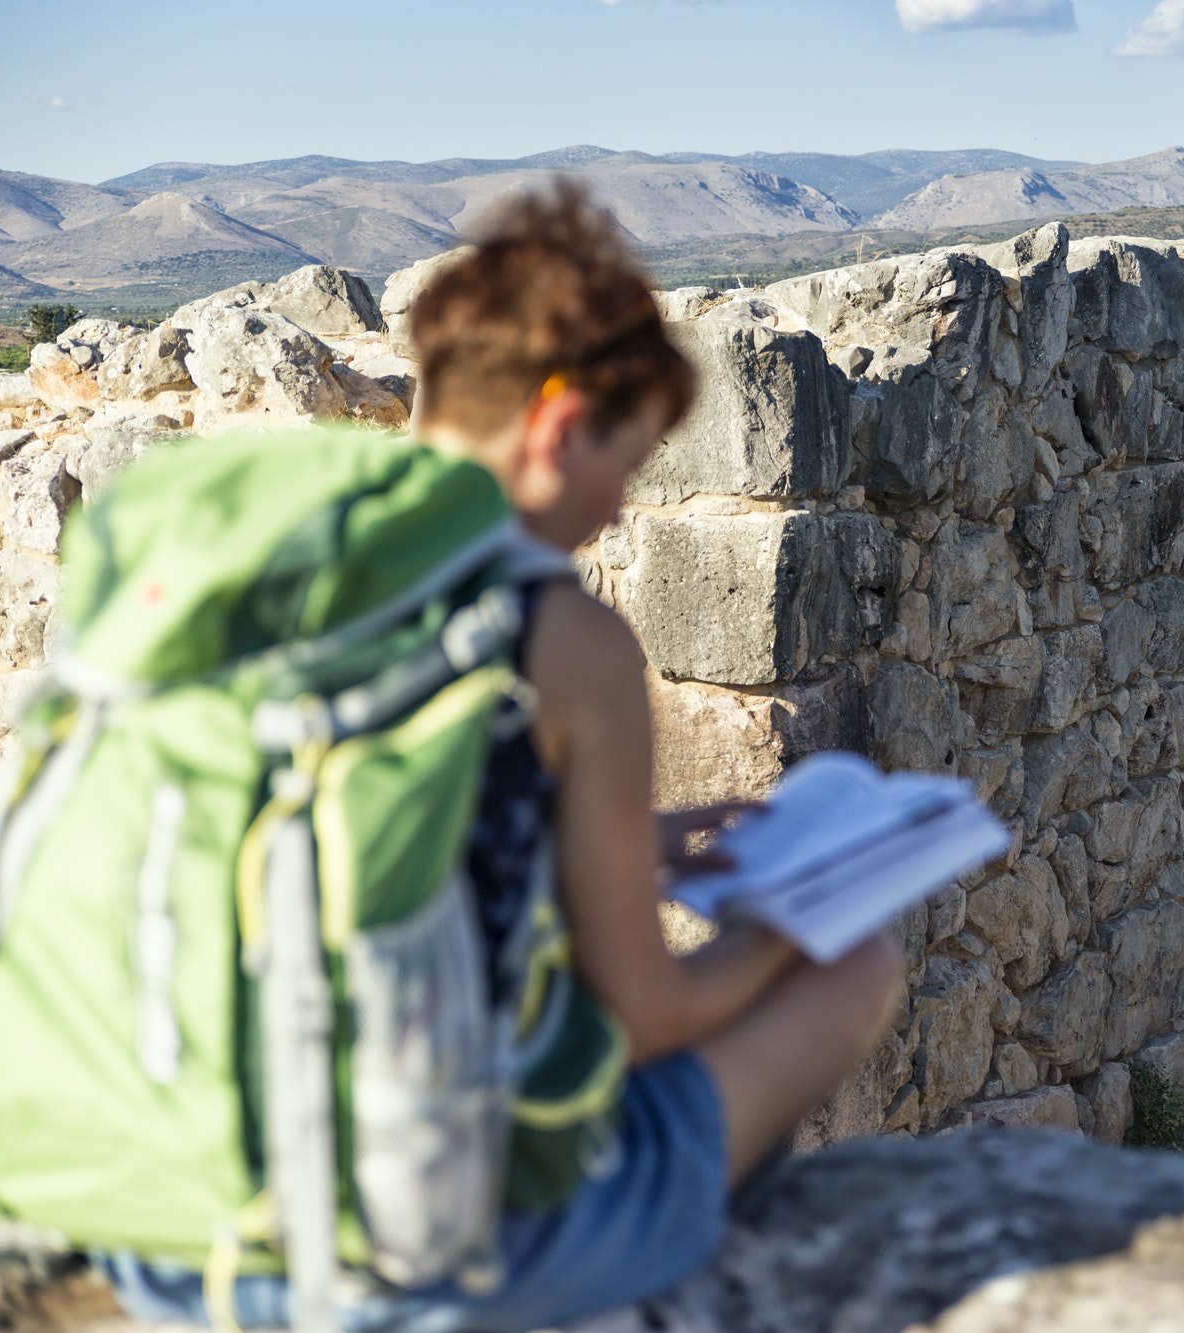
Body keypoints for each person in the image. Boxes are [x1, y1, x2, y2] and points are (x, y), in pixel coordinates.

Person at [102, 180, 905, 1331]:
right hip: (382, 1260)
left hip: (167, 1225)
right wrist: (791, 927)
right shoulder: (558, 633)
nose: (617, 509)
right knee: (855, 969)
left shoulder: (246, 555)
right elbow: (646, 1018)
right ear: (559, 424)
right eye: (623, 462)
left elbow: (344, 838)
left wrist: (626, 844)